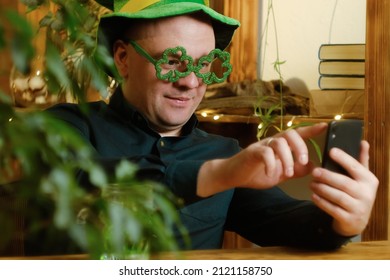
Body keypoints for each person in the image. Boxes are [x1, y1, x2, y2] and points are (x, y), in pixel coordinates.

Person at [47, 0, 378, 250]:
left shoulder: (224, 152)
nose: (191, 82)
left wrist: (342, 220)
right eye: (172, 62)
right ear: (122, 58)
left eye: (206, 64)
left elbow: (285, 221)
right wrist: (217, 174)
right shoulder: (66, 125)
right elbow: (74, 180)